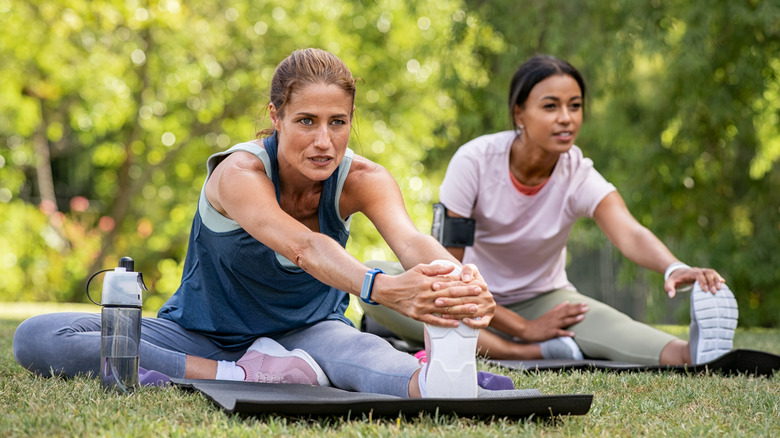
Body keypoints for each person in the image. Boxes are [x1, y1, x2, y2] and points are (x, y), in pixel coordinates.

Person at [13, 48, 501, 398]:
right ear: (277, 116)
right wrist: (381, 287)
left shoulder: (364, 178)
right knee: (37, 337)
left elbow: (411, 240)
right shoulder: (239, 174)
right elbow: (303, 247)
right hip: (203, 334)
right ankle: (243, 375)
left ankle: (438, 377)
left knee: (367, 359)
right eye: (306, 120)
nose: (324, 142)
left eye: (338, 122)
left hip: (309, 331)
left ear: (352, 120)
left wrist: (461, 280)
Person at [361, 54, 738, 366]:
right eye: (551, 106)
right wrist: (525, 330)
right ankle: (521, 352)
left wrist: (675, 267)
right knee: (379, 283)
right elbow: (448, 271)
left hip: (545, 298)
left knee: (663, 350)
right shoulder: (474, 162)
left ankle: (697, 352)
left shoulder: (577, 172)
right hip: (470, 295)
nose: (566, 118)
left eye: (575, 106)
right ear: (519, 113)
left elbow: (629, 231)